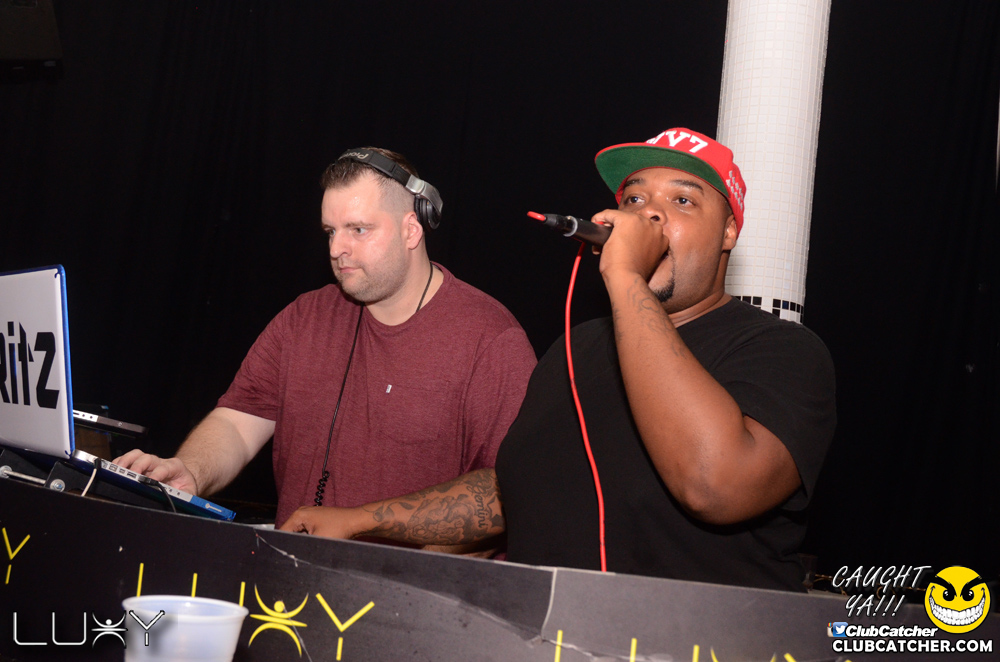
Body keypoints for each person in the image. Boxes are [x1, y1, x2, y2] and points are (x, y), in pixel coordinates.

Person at [278, 130, 836, 592]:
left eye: (683, 201)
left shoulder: (781, 350)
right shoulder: (576, 348)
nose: (649, 216)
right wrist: (361, 520)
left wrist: (625, 275)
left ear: (730, 231)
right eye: (634, 200)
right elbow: (509, 493)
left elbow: (714, 484)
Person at [117, 147, 537, 531]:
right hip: (293, 581)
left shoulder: (490, 339)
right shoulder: (303, 319)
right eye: (330, 231)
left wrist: (358, 522)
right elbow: (238, 423)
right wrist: (191, 470)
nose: (337, 249)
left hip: (413, 588)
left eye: (358, 229)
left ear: (412, 230)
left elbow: (510, 493)